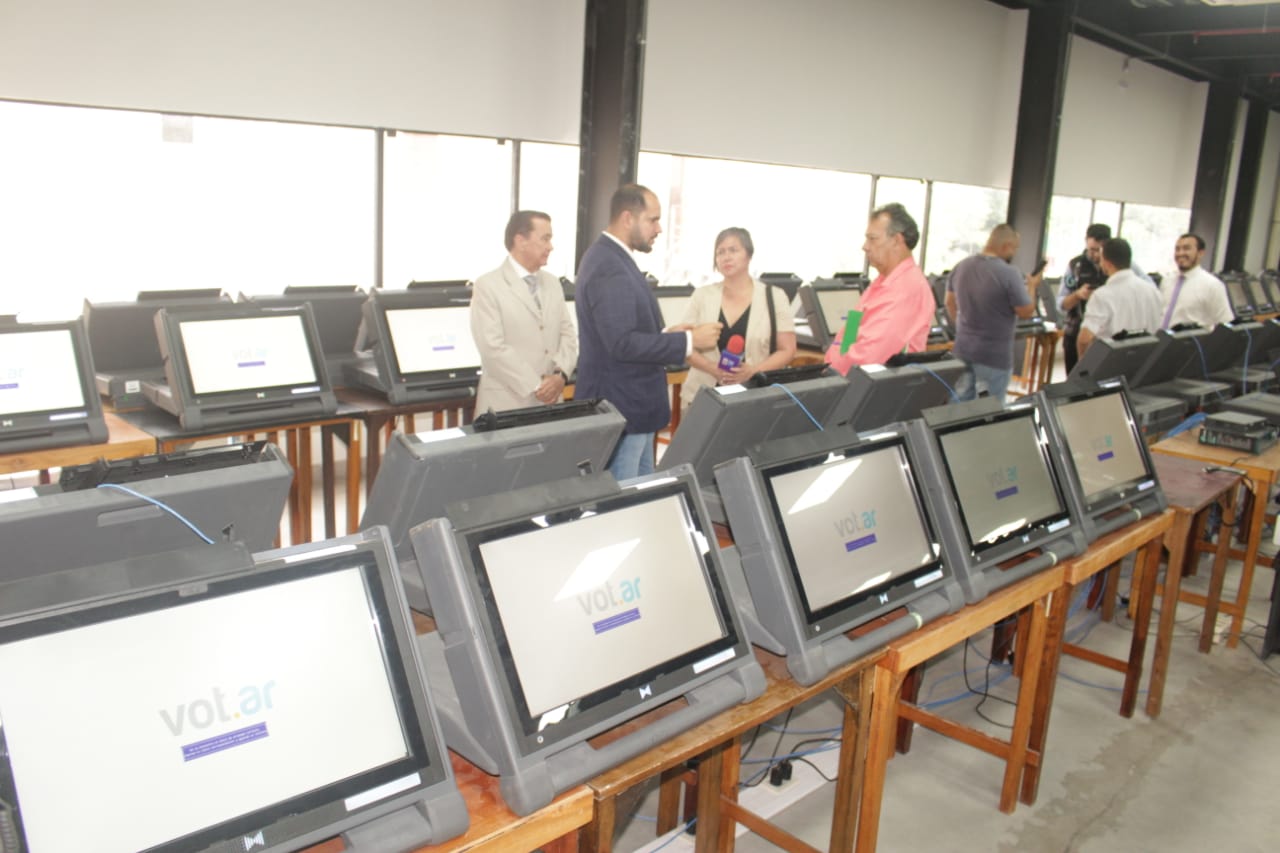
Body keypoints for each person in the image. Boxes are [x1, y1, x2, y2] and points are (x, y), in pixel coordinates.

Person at [575, 184, 721, 480]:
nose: (659, 229)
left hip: (633, 409)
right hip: (622, 409)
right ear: (628, 218)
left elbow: (625, 330)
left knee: (642, 497)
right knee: (625, 504)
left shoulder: (615, 259)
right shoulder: (609, 266)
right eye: (652, 220)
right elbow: (621, 344)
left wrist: (668, 332)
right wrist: (689, 341)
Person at [469, 210, 577, 415]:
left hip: (550, 403)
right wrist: (538, 386)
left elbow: (568, 335)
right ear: (520, 240)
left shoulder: (553, 283)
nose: (550, 246)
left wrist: (560, 376)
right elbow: (492, 349)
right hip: (507, 403)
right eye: (545, 239)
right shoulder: (488, 286)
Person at [678, 227, 797, 411]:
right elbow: (684, 344)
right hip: (701, 396)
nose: (726, 257)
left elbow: (787, 349)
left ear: (749, 255)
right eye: (720, 252)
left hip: (755, 398)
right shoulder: (701, 296)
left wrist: (752, 371)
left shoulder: (774, 296)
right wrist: (712, 368)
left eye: (733, 250)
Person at [824, 203, 936, 375]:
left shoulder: (905, 289)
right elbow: (850, 332)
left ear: (897, 240)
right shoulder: (883, 282)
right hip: (846, 376)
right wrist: (832, 363)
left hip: (867, 383)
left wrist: (832, 371)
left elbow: (870, 355)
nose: (865, 246)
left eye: (872, 238)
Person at [944, 224, 1041, 403]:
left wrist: (961, 327)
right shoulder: (1009, 273)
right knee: (989, 412)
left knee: (956, 409)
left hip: (963, 350)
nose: (1015, 253)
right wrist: (1032, 286)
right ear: (1006, 246)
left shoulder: (962, 266)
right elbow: (1026, 311)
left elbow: (949, 302)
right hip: (994, 356)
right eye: (1015, 248)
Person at [1057, 223, 1155, 372]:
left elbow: (1148, 287)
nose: (1095, 255)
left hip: (1113, 337)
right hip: (1077, 331)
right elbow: (1060, 304)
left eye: (1099, 251)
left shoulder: (1126, 265)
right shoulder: (1075, 266)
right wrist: (1077, 295)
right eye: (1091, 250)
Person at [1077, 238, 1163, 359]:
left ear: (1107, 263)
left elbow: (1085, 339)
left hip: (1111, 363)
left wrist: (1082, 367)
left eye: (1101, 259)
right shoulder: (1153, 291)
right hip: (1145, 362)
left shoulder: (1102, 295)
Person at [1159, 232, 1233, 330]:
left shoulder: (1212, 285)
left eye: (1186, 248)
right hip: (1163, 341)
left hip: (1193, 343)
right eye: (1177, 249)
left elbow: (1225, 322)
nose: (1180, 253)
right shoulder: (1167, 281)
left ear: (1200, 253)